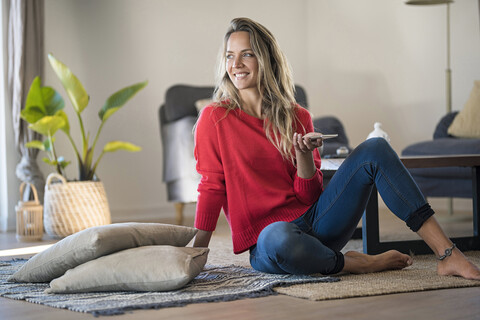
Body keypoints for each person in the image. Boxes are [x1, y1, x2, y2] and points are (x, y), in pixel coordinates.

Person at [193, 17, 480, 280]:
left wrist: (304, 157)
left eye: (247, 54)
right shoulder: (215, 118)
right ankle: (356, 263)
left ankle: (448, 254)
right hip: (271, 242)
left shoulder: (297, 116)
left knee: (375, 148)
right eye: (230, 56)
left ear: (265, 59)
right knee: (278, 236)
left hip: (317, 223)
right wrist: (197, 256)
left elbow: (310, 196)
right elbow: (211, 188)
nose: (236, 64)